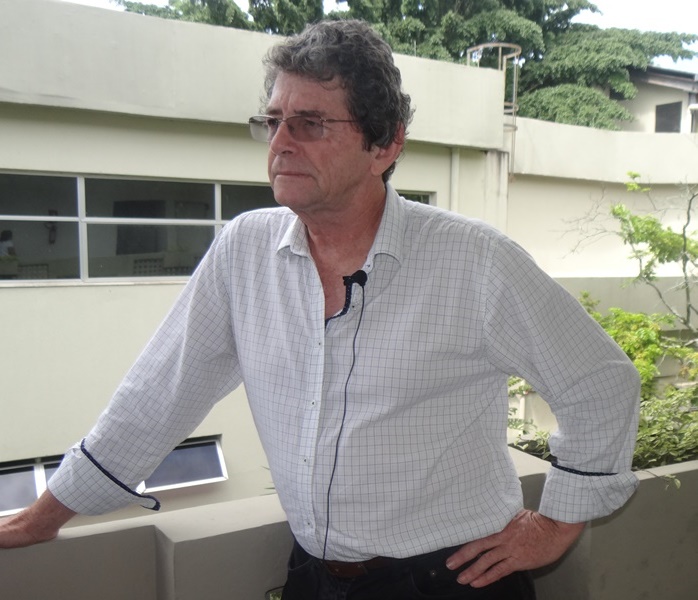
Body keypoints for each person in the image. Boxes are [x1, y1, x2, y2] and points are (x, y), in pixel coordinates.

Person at [0, 19, 640, 600]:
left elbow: (600, 382)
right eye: (273, 120)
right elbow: (157, 396)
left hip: (451, 581)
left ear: (385, 145)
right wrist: (42, 516)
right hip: (314, 577)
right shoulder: (244, 251)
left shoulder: (474, 261)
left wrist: (556, 523)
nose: (281, 141)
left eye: (310, 123)